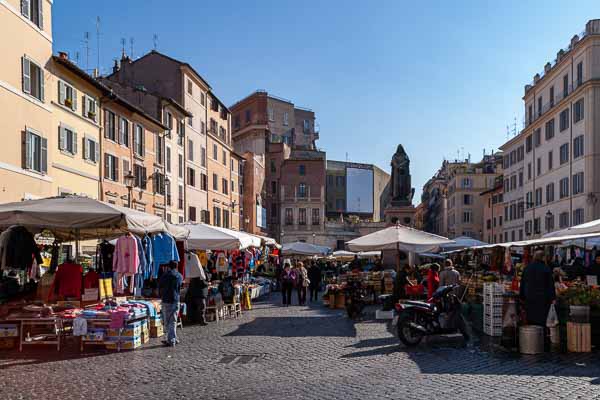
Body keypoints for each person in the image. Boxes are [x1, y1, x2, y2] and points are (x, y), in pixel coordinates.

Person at [520, 249, 556, 326]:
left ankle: (532, 336)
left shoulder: (527, 268)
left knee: (530, 320)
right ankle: (540, 337)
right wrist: (553, 298)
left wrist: (522, 297)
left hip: (529, 298)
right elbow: (550, 285)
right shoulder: (546, 269)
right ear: (543, 258)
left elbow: (522, 283)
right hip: (542, 300)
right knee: (541, 321)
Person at [159, 261, 183, 347]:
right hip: (175, 299)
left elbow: (160, 285)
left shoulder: (165, 275)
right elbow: (179, 287)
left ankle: (171, 339)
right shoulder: (179, 276)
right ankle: (173, 339)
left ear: (168, 267)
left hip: (166, 299)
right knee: (173, 320)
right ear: (176, 267)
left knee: (167, 321)